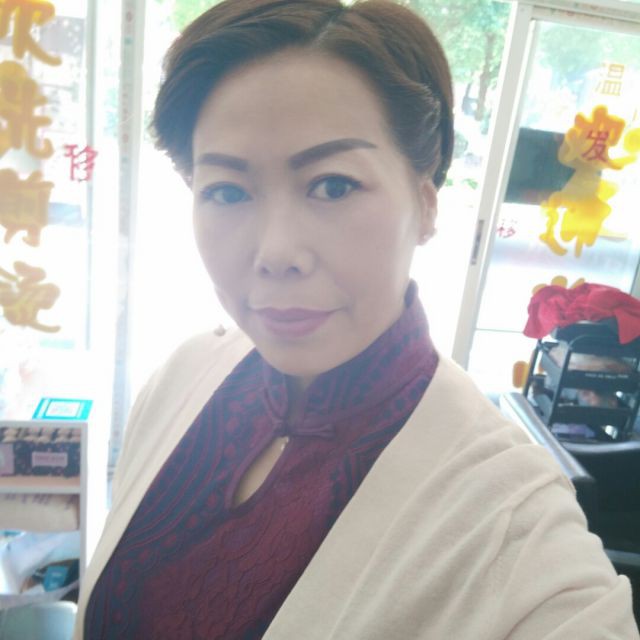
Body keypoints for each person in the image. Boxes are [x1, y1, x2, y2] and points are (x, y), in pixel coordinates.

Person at [75, 0, 639, 638]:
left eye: (333, 185)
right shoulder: (184, 375)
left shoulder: (511, 519)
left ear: (426, 204)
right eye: (227, 191)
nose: (276, 253)